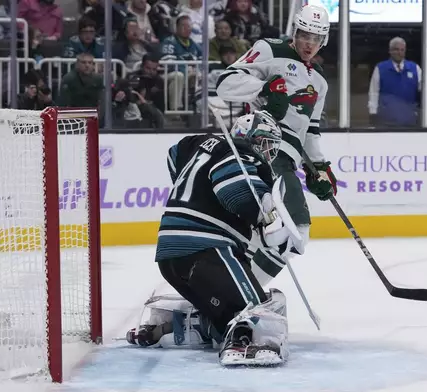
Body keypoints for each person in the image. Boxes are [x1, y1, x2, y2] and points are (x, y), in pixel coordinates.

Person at [127, 110, 301, 366]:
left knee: (225, 314)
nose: (266, 153)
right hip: (209, 249)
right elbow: (234, 192)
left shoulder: (200, 145)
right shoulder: (239, 156)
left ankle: (173, 326)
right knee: (258, 310)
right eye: (264, 143)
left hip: (170, 254)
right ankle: (242, 341)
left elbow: (174, 155)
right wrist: (265, 216)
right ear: (248, 137)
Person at [216, 4, 338, 255]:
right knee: (295, 229)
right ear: (295, 31)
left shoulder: (320, 81)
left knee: (289, 232)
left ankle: (244, 284)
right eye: (304, 35)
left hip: (288, 158)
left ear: (323, 41)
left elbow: (311, 130)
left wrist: (318, 167)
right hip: (260, 147)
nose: (309, 44)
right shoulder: (270, 49)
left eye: (316, 38)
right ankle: (245, 287)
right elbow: (225, 84)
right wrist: (264, 88)